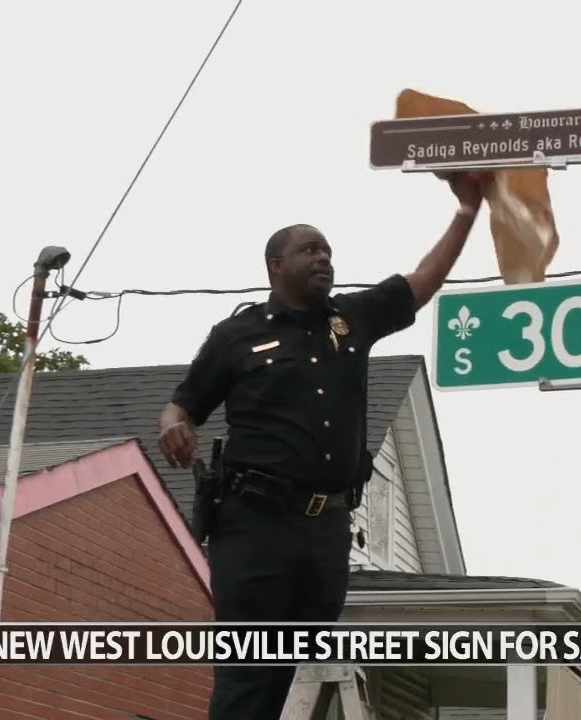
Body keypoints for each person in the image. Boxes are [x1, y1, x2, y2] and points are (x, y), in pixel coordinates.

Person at [156, 172, 485, 720]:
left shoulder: (351, 319)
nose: (323, 259)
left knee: (299, 669)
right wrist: (173, 423)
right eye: (309, 250)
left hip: (326, 529)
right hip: (254, 524)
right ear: (275, 266)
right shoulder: (236, 336)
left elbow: (422, 282)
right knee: (248, 671)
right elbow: (183, 402)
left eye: (328, 251)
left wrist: (467, 211)